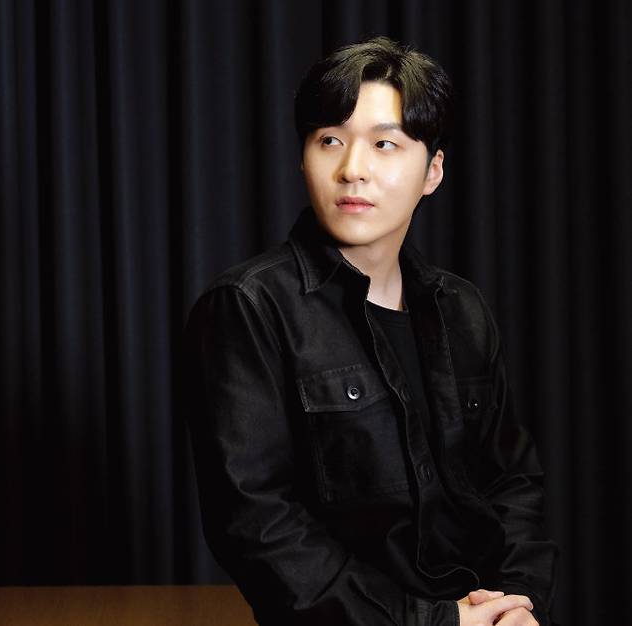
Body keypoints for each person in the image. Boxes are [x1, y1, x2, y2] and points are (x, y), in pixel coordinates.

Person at [184, 36, 558, 626]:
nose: (352, 169)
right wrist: (436, 622)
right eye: (329, 140)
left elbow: (512, 481)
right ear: (303, 158)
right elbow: (257, 525)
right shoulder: (248, 307)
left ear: (432, 171)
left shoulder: (462, 309)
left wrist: (517, 601)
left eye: (385, 144)